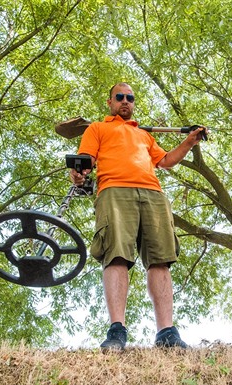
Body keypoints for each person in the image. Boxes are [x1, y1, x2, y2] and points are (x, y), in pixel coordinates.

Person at [70, 82, 208, 350]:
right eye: (119, 97)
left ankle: (167, 333)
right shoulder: (97, 128)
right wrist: (77, 174)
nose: (125, 101)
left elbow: (166, 161)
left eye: (130, 97)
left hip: (153, 194)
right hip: (114, 191)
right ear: (109, 102)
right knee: (116, 254)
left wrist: (189, 141)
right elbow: (84, 161)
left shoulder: (145, 136)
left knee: (161, 259)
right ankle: (117, 331)